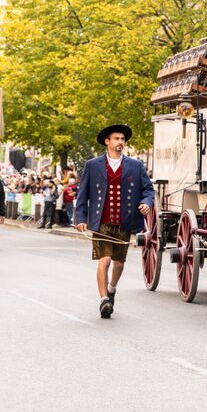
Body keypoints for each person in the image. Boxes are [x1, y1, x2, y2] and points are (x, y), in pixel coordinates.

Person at [74, 124, 154, 319]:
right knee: (105, 259)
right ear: (107, 142)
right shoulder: (92, 165)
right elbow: (82, 194)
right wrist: (80, 218)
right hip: (101, 221)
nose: (120, 142)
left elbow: (148, 189)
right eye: (116, 139)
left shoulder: (135, 166)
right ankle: (103, 300)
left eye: (122, 139)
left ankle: (112, 288)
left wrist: (146, 203)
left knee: (119, 262)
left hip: (124, 221)